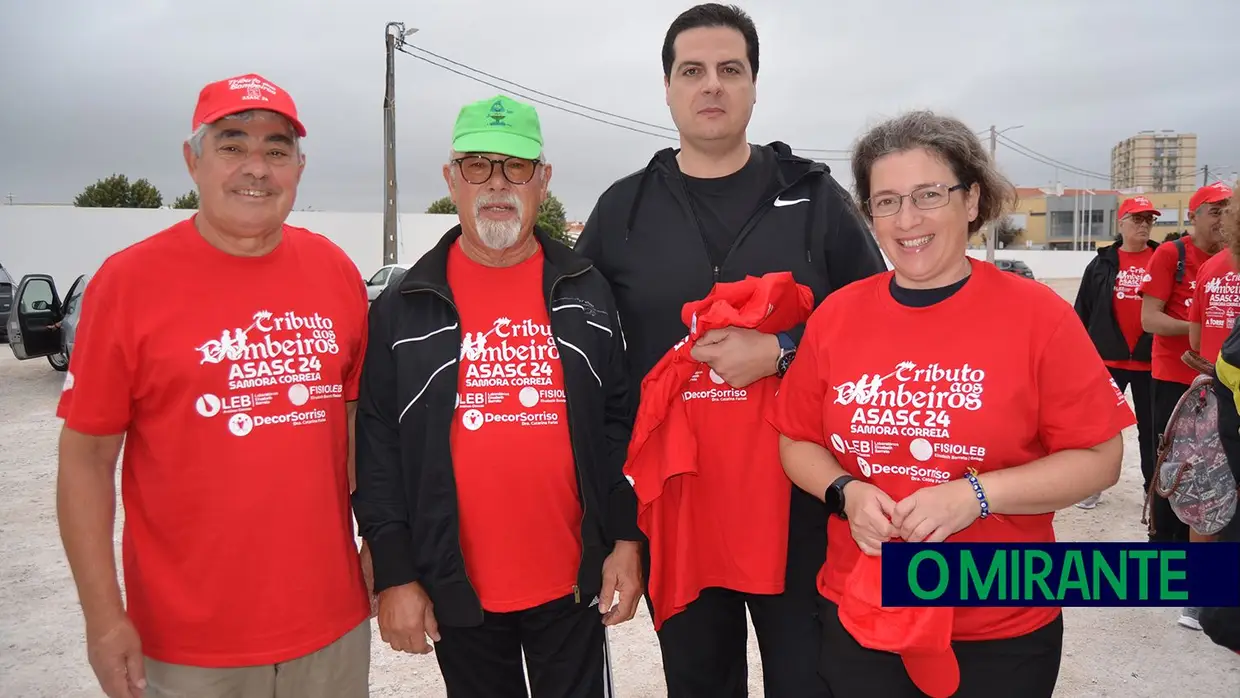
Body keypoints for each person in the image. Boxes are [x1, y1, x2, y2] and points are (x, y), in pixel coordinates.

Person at [574, 4, 885, 696]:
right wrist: (614, 523)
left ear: (753, 86)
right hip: (679, 506)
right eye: (693, 71)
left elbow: (878, 323)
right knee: (699, 683)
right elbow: (585, 360)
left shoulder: (814, 200)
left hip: (799, 504)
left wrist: (782, 350)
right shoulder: (623, 210)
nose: (711, 86)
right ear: (668, 88)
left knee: (811, 681)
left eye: (729, 70)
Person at [770, 110, 1134, 698]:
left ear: (972, 201)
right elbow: (796, 439)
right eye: (886, 201)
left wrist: (977, 495)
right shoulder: (838, 316)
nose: (907, 219)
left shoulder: (1038, 316)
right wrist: (845, 491)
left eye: (929, 195)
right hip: (865, 609)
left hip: (1000, 620)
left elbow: (1099, 457)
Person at [55, 73, 372, 698]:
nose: (256, 168)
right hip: (188, 648)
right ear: (192, 159)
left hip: (331, 630)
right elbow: (87, 460)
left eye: (277, 150)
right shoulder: (126, 284)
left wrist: (379, 541)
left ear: (299, 168)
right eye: (232, 145)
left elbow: (359, 426)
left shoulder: (335, 272)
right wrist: (102, 617)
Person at [352, 94, 643, 697]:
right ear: (451, 180)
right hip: (457, 588)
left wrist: (626, 538)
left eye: (516, 166)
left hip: (571, 585)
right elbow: (377, 444)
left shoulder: (586, 290)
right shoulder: (404, 306)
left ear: (543, 180)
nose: (497, 184)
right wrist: (396, 573)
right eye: (478, 165)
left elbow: (619, 424)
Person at [1138, 181, 1231, 633]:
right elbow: (1149, 319)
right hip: (1177, 378)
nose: (1222, 217)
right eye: (1215, 209)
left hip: (1216, 381)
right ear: (1195, 214)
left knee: (1211, 483)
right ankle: (1172, 567)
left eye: (1227, 209)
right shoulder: (1173, 256)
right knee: (1173, 474)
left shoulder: (1216, 265)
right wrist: (1201, 330)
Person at [1072, 196, 1160, 509]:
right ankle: (1091, 485)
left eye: (1149, 219)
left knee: (1153, 432)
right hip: (1107, 361)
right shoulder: (1100, 264)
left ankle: (1153, 492)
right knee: (1098, 430)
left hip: (1152, 363)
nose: (1144, 225)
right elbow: (1082, 311)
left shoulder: (1163, 259)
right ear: (1120, 223)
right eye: (1137, 219)